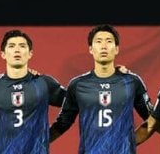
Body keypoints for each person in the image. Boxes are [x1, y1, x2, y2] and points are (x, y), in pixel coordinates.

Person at [49, 24, 153, 154]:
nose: (104, 46)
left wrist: (130, 141)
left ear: (116, 49)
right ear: (91, 49)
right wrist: (36, 142)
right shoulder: (77, 85)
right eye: (98, 42)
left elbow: (154, 120)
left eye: (109, 41)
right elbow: (62, 123)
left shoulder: (132, 82)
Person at [0, 29, 68, 154]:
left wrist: (54, 132)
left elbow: (75, 103)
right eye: (11, 46)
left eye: (22, 46)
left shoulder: (43, 83)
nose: (17, 50)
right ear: (3, 54)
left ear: (30, 53)